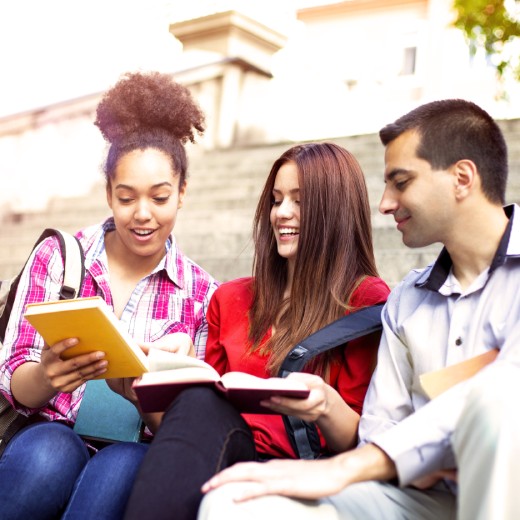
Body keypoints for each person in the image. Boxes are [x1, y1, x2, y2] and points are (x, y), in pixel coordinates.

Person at [198, 99, 520, 520]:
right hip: (426, 498)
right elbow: (378, 429)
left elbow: (503, 389)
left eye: (401, 182)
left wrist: (345, 467)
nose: (385, 204)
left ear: (462, 178)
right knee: (235, 501)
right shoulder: (407, 300)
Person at [124, 142, 390, 520]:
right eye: (277, 199)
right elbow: (193, 433)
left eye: (299, 201)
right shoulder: (230, 298)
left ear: (335, 210)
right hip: (229, 455)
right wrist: (146, 389)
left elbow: (365, 441)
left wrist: (325, 404)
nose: (282, 213)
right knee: (197, 402)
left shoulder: (366, 300)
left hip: (310, 469)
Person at [0, 71, 218, 520]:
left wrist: (150, 396)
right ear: (108, 195)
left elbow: (186, 431)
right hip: (48, 430)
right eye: (126, 197)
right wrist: (46, 375)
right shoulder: (60, 257)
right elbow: (13, 381)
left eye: (160, 198)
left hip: (138, 445)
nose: (143, 215)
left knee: (122, 468)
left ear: (182, 194)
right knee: (49, 453)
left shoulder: (202, 293)